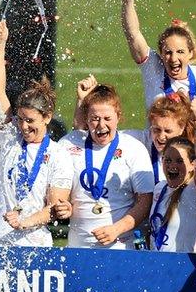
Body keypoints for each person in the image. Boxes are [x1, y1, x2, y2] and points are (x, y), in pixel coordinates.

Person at [0, 20, 73, 247]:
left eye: (31, 121)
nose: (24, 126)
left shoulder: (59, 155)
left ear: (47, 117)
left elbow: (55, 208)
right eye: (20, 119)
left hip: (32, 242)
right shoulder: (11, 137)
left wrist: (24, 221)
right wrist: (0, 47)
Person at [121, 0, 196, 129]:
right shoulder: (153, 68)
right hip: (154, 151)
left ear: (191, 53)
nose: (174, 58)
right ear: (161, 54)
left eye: (180, 52)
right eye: (168, 52)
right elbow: (133, 34)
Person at [60, 81, 154, 249]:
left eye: (107, 118)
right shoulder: (68, 144)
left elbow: (145, 202)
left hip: (120, 248)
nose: (101, 125)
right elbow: (59, 190)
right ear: (86, 119)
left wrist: (116, 229)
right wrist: (62, 204)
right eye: (94, 119)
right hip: (77, 249)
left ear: (118, 116)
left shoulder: (134, 148)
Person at [149, 136, 196, 252]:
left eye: (179, 161)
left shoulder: (195, 191)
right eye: (167, 160)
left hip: (182, 267)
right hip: (155, 263)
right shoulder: (159, 188)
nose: (172, 165)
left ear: (193, 164)